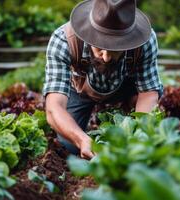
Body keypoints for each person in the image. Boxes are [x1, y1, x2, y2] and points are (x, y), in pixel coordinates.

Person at [43, 0, 163, 159]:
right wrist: (81, 139)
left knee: (147, 134)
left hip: (126, 90)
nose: (106, 58)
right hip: (80, 91)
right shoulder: (64, 40)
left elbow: (148, 93)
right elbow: (54, 107)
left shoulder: (145, 40)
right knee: (69, 146)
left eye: (114, 49)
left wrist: (137, 138)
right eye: (100, 47)